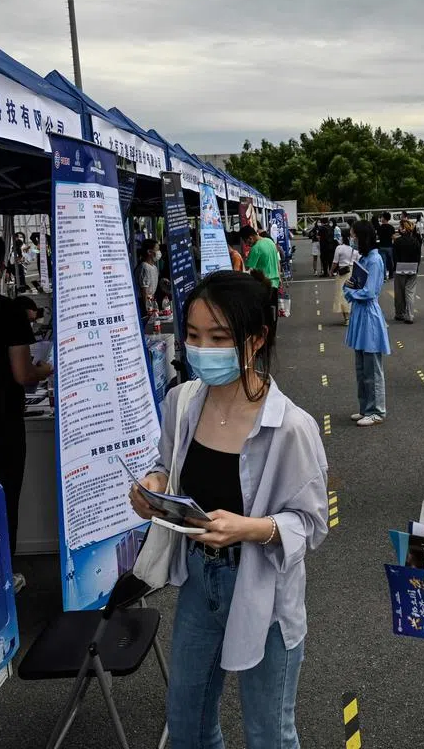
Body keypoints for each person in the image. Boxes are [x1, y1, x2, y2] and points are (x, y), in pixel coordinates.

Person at [129, 270, 328, 748]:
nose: (202, 349)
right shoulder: (182, 402)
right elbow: (167, 462)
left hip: (261, 583)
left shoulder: (291, 427)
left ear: (256, 339)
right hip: (200, 579)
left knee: (268, 731)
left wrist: (252, 528)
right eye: (194, 336)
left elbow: (311, 524)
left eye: (219, 338)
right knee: (188, 722)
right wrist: (155, 484)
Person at [0, 231, 53, 592]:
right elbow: (23, 373)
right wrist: (46, 369)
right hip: (2, 421)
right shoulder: (8, 312)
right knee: (2, 497)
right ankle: (1, 575)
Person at [344, 220, 391, 426]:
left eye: (354, 236)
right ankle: (365, 408)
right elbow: (353, 285)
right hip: (360, 313)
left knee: (372, 368)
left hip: (369, 314)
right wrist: (351, 290)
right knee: (361, 367)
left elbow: (369, 291)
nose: (351, 239)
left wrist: (351, 292)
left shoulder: (375, 259)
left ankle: (377, 411)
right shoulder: (364, 258)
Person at [392, 217, 422, 323]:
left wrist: (394, 269)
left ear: (404, 229)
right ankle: (410, 315)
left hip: (400, 268)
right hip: (413, 267)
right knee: (410, 292)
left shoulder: (398, 241)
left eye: (400, 227)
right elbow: (418, 257)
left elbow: (394, 257)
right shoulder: (416, 241)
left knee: (399, 292)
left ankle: (400, 313)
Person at [331, 231, 359, 326]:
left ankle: (346, 318)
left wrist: (331, 271)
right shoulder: (354, 250)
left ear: (342, 238)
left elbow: (335, 262)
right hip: (352, 272)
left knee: (342, 294)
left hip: (342, 273)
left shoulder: (339, 248)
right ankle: (352, 316)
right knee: (352, 293)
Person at [240, 225, 280, 290]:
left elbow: (248, 270)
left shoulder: (255, 248)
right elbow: (278, 262)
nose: (246, 244)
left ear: (250, 238)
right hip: (275, 283)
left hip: (264, 284)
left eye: (245, 241)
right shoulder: (270, 241)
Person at [137, 239, 161, 320]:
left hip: (151, 302)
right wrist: (148, 309)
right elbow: (145, 291)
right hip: (144, 304)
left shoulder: (154, 267)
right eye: (157, 250)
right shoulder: (144, 267)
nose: (159, 252)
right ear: (149, 252)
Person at [376, 212, 396, 280]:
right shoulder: (391, 227)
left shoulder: (379, 227)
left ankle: (384, 276)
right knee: (390, 262)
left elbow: (378, 237)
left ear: (384, 218)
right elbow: (393, 237)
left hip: (381, 246)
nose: (381, 219)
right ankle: (391, 275)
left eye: (382, 217)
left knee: (383, 262)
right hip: (389, 246)